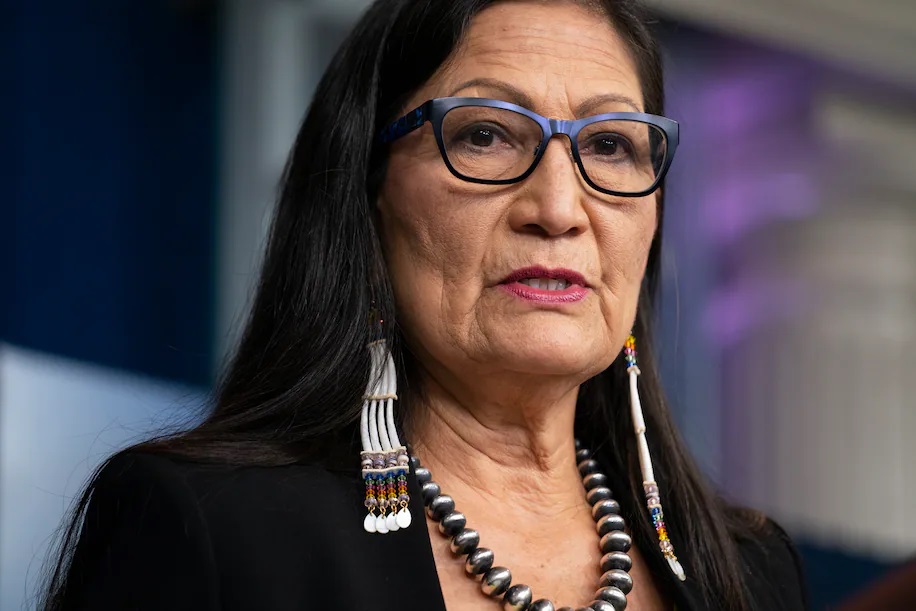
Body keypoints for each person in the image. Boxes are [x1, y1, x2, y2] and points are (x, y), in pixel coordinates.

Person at [41, 0, 809, 609]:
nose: (559, 206)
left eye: (610, 146)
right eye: (484, 135)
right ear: (369, 195)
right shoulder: (210, 528)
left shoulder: (749, 572)